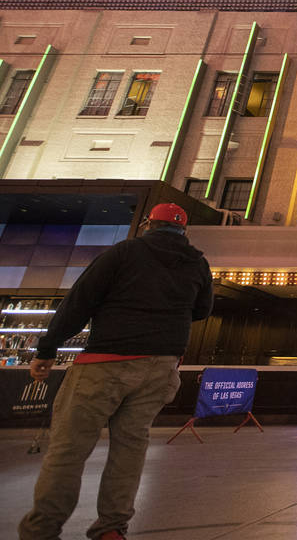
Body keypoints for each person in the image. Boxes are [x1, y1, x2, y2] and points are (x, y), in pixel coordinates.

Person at [19, 203, 213, 540]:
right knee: (130, 448)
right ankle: (111, 527)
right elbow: (201, 310)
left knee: (69, 449)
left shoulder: (123, 253)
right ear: (185, 231)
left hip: (105, 362)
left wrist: (48, 349)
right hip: (160, 366)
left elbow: (79, 303)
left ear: (147, 224)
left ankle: (43, 529)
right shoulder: (196, 262)